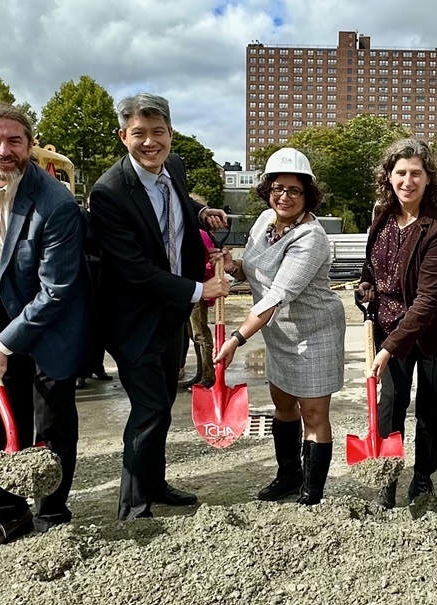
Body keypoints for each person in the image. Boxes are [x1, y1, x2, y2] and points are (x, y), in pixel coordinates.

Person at [0, 101, 91, 548]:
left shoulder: (57, 203)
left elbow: (57, 290)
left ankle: (52, 515)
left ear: (30, 146)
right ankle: (7, 514)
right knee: (0, 417)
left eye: (14, 140)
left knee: (52, 419)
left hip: (55, 321)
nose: (3, 150)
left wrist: (5, 345)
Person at [89, 93, 231, 520]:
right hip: (133, 318)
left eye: (158, 133)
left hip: (170, 315)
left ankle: (154, 482)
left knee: (164, 402)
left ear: (170, 133)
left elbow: (176, 200)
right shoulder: (109, 193)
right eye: (139, 134)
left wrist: (202, 210)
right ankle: (132, 509)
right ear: (122, 136)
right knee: (149, 408)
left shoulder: (176, 168)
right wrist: (198, 290)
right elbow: (131, 269)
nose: (150, 142)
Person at [213, 148, 345, 506]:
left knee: (314, 413)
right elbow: (254, 273)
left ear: (307, 194)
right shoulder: (264, 223)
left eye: (294, 190)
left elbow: (274, 297)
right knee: (283, 406)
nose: (284, 197)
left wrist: (237, 339)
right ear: (268, 189)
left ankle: (312, 492)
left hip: (314, 334)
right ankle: (288, 475)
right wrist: (233, 265)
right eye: (277, 188)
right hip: (278, 334)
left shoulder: (310, 237)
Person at [357, 138, 437, 508]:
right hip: (390, 323)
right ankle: (387, 476)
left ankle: (423, 476)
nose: (407, 180)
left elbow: (428, 300)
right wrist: (366, 285)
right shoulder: (382, 215)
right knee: (391, 401)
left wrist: (389, 348)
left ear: (428, 178)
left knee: (431, 406)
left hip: (435, 330)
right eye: (400, 173)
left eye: (415, 173)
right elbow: (372, 265)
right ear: (388, 177)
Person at [75, 199, 113, 390]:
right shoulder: (82, 217)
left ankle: (97, 366)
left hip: (105, 281)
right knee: (84, 327)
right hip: (87, 276)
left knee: (101, 328)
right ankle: (81, 372)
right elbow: (78, 247)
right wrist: (96, 260)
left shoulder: (110, 220)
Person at [183, 223, 216, 391]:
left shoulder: (201, 234)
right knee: (192, 334)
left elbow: (213, 261)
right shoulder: (186, 232)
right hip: (187, 289)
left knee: (200, 333)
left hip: (199, 288)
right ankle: (200, 372)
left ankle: (208, 376)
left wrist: (199, 273)